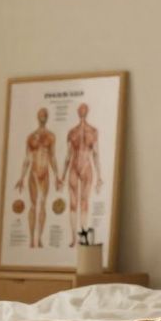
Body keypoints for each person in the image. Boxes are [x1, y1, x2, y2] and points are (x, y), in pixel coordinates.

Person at [57, 103, 102, 244]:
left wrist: (99, 176)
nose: (82, 110)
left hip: (86, 167)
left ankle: (82, 237)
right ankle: (73, 238)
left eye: (84, 109)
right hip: (74, 167)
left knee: (84, 202)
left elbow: (96, 154)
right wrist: (62, 177)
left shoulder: (92, 131)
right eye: (80, 109)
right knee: (73, 203)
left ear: (86, 111)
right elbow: (68, 156)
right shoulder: (72, 132)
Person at [14, 108, 56, 248]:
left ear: (47, 117)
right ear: (38, 117)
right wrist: (21, 177)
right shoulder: (31, 137)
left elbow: (52, 157)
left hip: (45, 173)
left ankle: (40, 238)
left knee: (43, 204)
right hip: (33, 173)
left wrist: (57, 176)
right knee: (33, 205)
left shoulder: (51, 136)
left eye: (45, 115)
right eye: (41, 115)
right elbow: (27, 158)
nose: (43, 117)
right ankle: (32, 239)